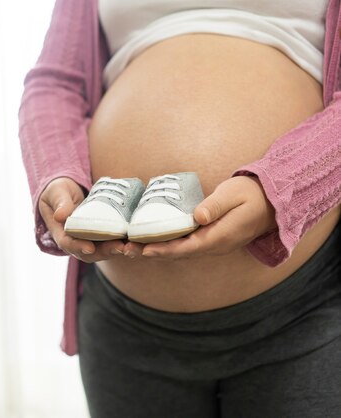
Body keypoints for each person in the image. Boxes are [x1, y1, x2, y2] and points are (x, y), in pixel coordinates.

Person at [18, 0, 341, 416]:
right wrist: (57, 175)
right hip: (126, 324)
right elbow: (54, 84)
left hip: (303, 314)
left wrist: (281, 191)